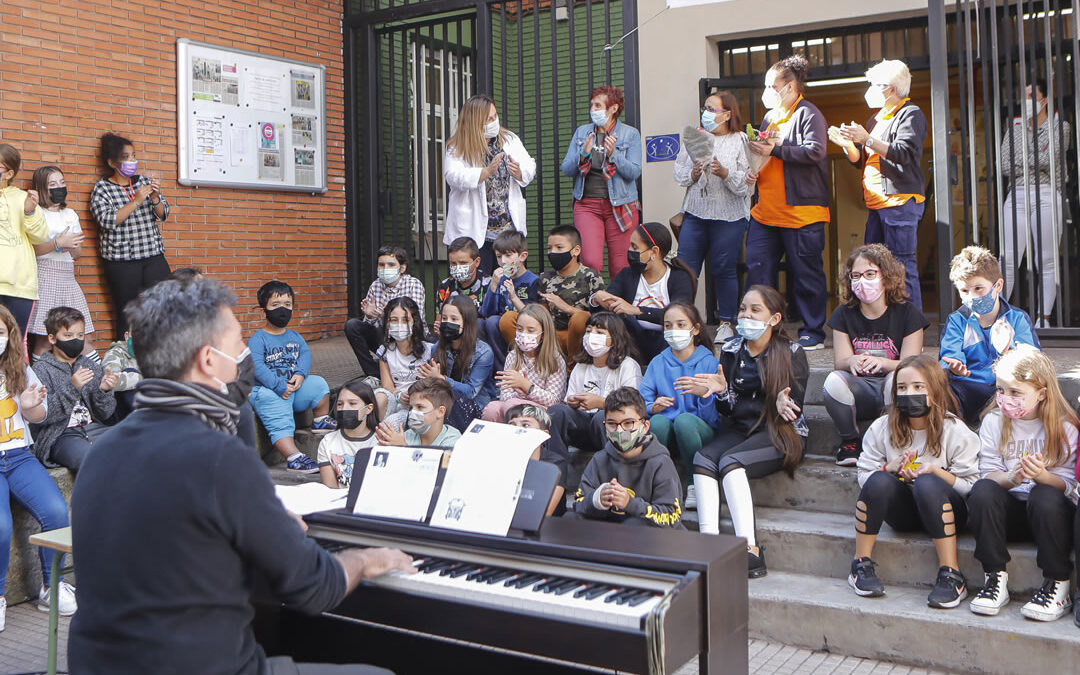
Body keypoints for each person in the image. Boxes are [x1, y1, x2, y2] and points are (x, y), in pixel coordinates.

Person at [68, 277, 413, 674]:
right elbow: (315, 587)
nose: (244, 357)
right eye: (237, 345)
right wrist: (370, 558)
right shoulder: (217, 456)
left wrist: (257, 527)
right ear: (209, 360)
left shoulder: (102, 451)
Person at [688, 286, 808, 578]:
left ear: (775, 318)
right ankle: (709, 546)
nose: (746, 315)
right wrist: (719, 393)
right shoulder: (730, 349)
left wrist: (782, 403)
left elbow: (796, 409)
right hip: (741, 429)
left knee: (730, 464)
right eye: (743, 308)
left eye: (755, 310)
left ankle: (751, 551)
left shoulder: (792, 352)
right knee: (703, 460)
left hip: (781, 431)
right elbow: (728, 411)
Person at [847, 355, 980, 608]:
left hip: (947, 511)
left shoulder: (955, 430)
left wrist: (935, 472)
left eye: (919, 387)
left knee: (927, 483)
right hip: (904, 514)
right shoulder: (881, 427)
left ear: (935, 389)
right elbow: (864, 476)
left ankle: (951, 573)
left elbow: (972, 485)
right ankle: (860, 563)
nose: (909, 393)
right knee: (878, 480)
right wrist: (890, 468)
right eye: (902, 388)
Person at [966, 347, 1078, 621]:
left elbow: (1070, 487)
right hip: (1011, 515)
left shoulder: (1064, 427)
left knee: (1044, 493)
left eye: (1016, 392)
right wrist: (1012, 478)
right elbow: (988, 473)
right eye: (1001, 390)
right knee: (982, 491)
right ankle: (995, 578)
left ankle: (1057, 583)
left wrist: (1042, 476)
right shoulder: (994, 422)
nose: (1005, 399)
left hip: (1051, 518)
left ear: (1041, 393)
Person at [744, 55, 830, 351]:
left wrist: (777, 148)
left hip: (801, 214)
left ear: (790, 86)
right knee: (758, 270)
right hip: (765, 212)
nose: (767, 91)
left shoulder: (809, 114)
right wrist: (753, 167)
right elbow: (769, 156)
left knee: (806, 275)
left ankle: (813, 331)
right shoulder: (770, 118)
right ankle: (762, 326)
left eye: (772, 85)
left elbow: (816, 151)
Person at [0, 305, 76, 632]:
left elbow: (39, 416)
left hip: (19, 456)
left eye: (1, 332)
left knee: (56, 509)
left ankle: (51, 587)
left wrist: (30, 408)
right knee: (1, 527)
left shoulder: (19, 367)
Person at [833, 60, 928, 310]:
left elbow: (903, 153)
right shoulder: (876, 119)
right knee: (874, 265)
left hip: (899, 202)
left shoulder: (911, 114)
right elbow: (861, 161)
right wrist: (847, 144)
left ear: (892, 88)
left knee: (902, 264)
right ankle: (886, 320)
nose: (871, 90)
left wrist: (868, 139)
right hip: (876, 203)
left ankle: (912, 328)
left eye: (876, 85)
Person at [824, 244, 928, 467]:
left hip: (892, 389)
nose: (863, 281)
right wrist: (851, 360)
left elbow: (912, 364)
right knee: (833, 382)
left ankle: (895, 441)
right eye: (856, 275)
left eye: (870, 274)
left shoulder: (908, 313)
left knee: (898, 379)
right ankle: (851, 441)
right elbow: (839, 363)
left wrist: (883, 362)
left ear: (886, 276)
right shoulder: (843, 313)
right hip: (859, 390)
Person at [673, 90, 751, 339]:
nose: (706, 114)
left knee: (723, 268)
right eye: (704, 108)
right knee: (686, 268)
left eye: (712, 109)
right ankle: (681, 320)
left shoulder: (740, 140)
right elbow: (680, 174)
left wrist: (725, 172)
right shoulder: (695, 138)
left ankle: (726, 322)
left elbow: (746, 185)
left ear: (727, 114)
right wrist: (694, 173)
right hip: (695, 213)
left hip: (729, 217)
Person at [998, 79, 1072, 326]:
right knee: (1007, 258)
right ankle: (995, 316)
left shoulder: (1060, 127)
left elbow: (1049, 159)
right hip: (1017, 193)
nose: (1026, 101)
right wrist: (1034, 158)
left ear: (1044, 100)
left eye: (1032, 96)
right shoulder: (1014, 129)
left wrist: (1023, 160)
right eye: (1024, 96)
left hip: (1047, 192)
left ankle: (1043, 318)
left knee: (1047, 260)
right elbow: (1005, 165)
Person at [940, 246, 1039, 426]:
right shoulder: (956, 321)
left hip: (1005, 389)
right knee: (943, 393)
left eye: (979, 288)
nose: (972, 296)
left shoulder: (1017, 318)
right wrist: (955, 365)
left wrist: (1008, 351)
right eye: (964, 291)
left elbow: (1032, 359)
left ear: (998, 286)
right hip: (966, 389)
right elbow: (949, 355)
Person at [248, 280, 336, 474]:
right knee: (277, 407)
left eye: (288, 305)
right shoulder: (258, 339)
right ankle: (293, 456)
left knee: (318, 383)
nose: (283, 310)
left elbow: (305, 355)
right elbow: (257, 367)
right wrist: (279, 386)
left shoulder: (294, 336)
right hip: (267, 391)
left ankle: (320, 418)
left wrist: (300, 375)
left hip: (292, 389)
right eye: (275, 305)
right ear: (263, 310)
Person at [443, 94, 536, 276]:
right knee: (479, 285)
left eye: (495, 116)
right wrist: (484, 172)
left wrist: (520, 172)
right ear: (475, 122)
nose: (494, 122)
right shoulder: (457, 146)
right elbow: (453, 176)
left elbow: (529, 165)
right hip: (475, 232)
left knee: (509, 284)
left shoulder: (508, 139)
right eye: (488, 119)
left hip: (507, 231)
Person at [90, 132, 171, 338]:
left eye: (134, 156)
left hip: (152, 256)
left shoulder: (142, 181)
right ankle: (126, 362)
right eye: (126, 157)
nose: (132, 161)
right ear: (112, 162)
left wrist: (154, 198)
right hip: (122, 262)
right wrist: (135, 201)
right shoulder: (102, 189)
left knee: (165, 305)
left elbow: (163, 214)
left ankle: (163, 356)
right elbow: (108, 221)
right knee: (127, 314)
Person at [569, 387, 683, 528]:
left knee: (634, 525)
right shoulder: (600, 459)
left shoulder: (660, 463)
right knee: (571, 518)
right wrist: (597, 500)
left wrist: (630, 503)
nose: (620, 431)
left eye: (628, 423)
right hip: (607, 535)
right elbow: (578, 503)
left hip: (649, 542)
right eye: (612, 424)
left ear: (645, 426)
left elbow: (671, 517)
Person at [561, 85, 642, 276]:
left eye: (598, 106)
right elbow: (566, 168)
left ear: (613, 108)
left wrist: (614, 155)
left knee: (621, 265)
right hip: (587, 205)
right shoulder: (582, 133)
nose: (593, 110)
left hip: (621, 205)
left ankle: (617, 305)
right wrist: (583, 154)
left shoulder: (630, 134)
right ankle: (593, 303)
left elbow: (634, 172)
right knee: (590, 262)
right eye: (592, 106)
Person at [588, 222, 696, 363]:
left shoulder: (679, 277)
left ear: (654, 252)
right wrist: (597, 299)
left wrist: (636, 311)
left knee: (678, 327)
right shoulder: (627, 274)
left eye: (634, 247)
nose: (629, 250)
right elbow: (609, 301)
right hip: (631, 341)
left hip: (667, 341)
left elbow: (682, 314)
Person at [641, 302, 719, 491]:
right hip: (667, 434)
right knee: (657, 421)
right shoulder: (658, 362)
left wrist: (704, 396)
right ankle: (656, 482)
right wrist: (653, 407)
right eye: (668, 326)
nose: (673, 330)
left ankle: (695, 483)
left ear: (695, 329)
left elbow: (715, 418)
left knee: (684, 421)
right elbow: (641, 401)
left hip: (698, 434)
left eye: (681, 324)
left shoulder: (709, 363)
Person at [547, 311, 642, 465]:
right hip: (584, 425)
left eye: (599, 332)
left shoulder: (628, 365)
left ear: (614, 338)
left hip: (617, 430)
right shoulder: (581, 366)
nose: (591, 336)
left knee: (602, 416)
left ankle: (615, 475)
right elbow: (569, 401)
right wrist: (573, 402)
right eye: (589, 331)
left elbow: (633, 408)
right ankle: (556, 476)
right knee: (556, 411)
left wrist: (601, 403)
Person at [30, 307, 117, 471]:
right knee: (92, 461)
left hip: (93, 428)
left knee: (134, 445)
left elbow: (105, 413)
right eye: (68, 336)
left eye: (80, 335)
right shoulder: (41, 370)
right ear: (52, 338)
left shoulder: (91, 366)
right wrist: (73, 387)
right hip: (60, 435)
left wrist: (104, 391)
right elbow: (44, 416)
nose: (75, 340)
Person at [500, 225, 603, 363]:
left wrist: (566, 308)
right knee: (508, 319)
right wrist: (513, 298)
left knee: (580, 317)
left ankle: (571, 367)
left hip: (576, 336)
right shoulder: (546, 277)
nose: (553, 252)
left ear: (576, 250)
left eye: (559, 248)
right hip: (548, 334)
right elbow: (539, 313)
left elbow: (599, 318)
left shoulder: (591, 275)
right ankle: (528, 361)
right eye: (549, 248)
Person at [27, 165, 95, 359]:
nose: (59, 187)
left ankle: (96, 382)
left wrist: (71, 246)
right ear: (42, 188)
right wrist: (57, 243)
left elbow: (77, 254)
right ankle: (43, 385)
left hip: (68, 277)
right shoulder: (36, 213)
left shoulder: (70, 214)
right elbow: (32, 250)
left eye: (62, 183)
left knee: (84, 337)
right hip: (45, 277)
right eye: (53, 184)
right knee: (44, 339)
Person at [344, 245, 425, 377]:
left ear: (402, 268)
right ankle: (374, 373)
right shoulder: (375, 285)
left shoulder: (413, 284)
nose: (385, 269)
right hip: (384, 336)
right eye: (381, 265)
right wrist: (369, 316)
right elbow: (370, 325)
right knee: (352, 325)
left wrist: (386, 315)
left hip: (410, 337)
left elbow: (416, 319)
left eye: (391, 265)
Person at [418, 296, 495, 429]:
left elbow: (471, 392)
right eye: (444, 318)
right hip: (444, 403)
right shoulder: (437, 348)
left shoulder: (484, 352)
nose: (448, 323)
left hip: (474, 406)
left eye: (454, 319)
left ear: (467, 322)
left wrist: (441, 378)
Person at [481, 303, 567, 421]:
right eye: (520, 329)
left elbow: (554, 401)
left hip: (545, 411)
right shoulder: (512, 356)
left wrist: (527, 387)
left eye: (530, 330)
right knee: (492, 408)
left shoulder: (554, 359)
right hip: (514, 403)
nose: (524, 334)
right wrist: (521, 394)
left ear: (543, 334)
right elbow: (504, 396)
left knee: (513, 405)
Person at [0, 143, 48, 339]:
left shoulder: (24, 198)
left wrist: (29, 211)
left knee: (15, 344)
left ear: (9, 173)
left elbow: (41, 236)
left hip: (20, 285)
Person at [479, 230, 540, 366]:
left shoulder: (533, 281)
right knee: (486, 322)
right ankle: (499, 369)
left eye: (508, 255)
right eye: (499, 257)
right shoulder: (500, 279)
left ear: (523, 256)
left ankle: (517, 365)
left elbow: (535, 315)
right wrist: (493, 285)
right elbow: (486, 313)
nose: (503, 261)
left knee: (501, 320)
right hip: (500, 328)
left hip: (523, 329)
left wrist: (513, 297)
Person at [374, 297, 434, 423]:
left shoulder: (429, 351)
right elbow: (387, 386)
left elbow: (433, 384)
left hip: (420, 404)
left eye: (405, 320)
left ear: (415, 322)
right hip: (396, 398)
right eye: (394, 320)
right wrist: (399, 396)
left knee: (390, 423)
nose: (399, 324)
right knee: (379, 397)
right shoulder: (385, 351)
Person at [318, 378, 380, 490]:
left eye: (352, 403)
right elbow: (330, 489)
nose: (344, 408)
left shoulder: (381, 441)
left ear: (369, 408)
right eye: (340, 404)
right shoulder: (328, 442)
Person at [505, 403, 565, 516]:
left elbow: (545, 512)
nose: (518, 430)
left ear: (544, 434)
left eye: (526, 425)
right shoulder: (502, 460)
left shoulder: (555, 464)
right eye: (512, 425)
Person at [375, 377, 462, 448]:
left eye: (420, 407)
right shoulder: (407, 435)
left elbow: (436, 467)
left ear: (440, 412)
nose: (413, 412)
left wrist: (403, 448)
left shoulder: (453, 439)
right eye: (411, 407)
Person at [434, 236, 491, 334]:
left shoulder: (488, 285)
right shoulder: (445, 287)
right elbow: (439, 320)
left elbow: (490, 322)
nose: (458, 267)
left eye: (463, 263)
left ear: (477, 262)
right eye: (453, 263)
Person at [101, 330, 142, 419]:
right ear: (127, 336)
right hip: (119, 412)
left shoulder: (156, 355)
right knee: (129, 372)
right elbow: (113, 379)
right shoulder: (115, 354)